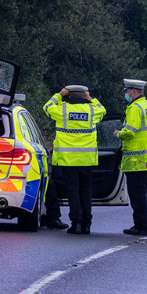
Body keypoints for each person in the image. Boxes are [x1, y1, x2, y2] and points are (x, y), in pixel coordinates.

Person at [43, 85, 106, 234]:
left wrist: (59, 94)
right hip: (86, 159)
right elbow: (103, 109)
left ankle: (76, 224)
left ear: (69, 96)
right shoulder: (92, 110)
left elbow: (47, 107)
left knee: (73, 192)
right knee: (86, 191)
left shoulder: (62, 110)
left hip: (68, 159)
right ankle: (86, 225)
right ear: (84, 96)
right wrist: (91, 99)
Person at [115, 79, 147, 236]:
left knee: (137, 194)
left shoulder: (134, 108)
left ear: (133, 92)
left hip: (134, 159)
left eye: (127, 92)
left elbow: (130, 131)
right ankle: (145, 223)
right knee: (145, 192)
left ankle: (140, 226)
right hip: (145, 157)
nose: (126, 94)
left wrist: (119, 133)